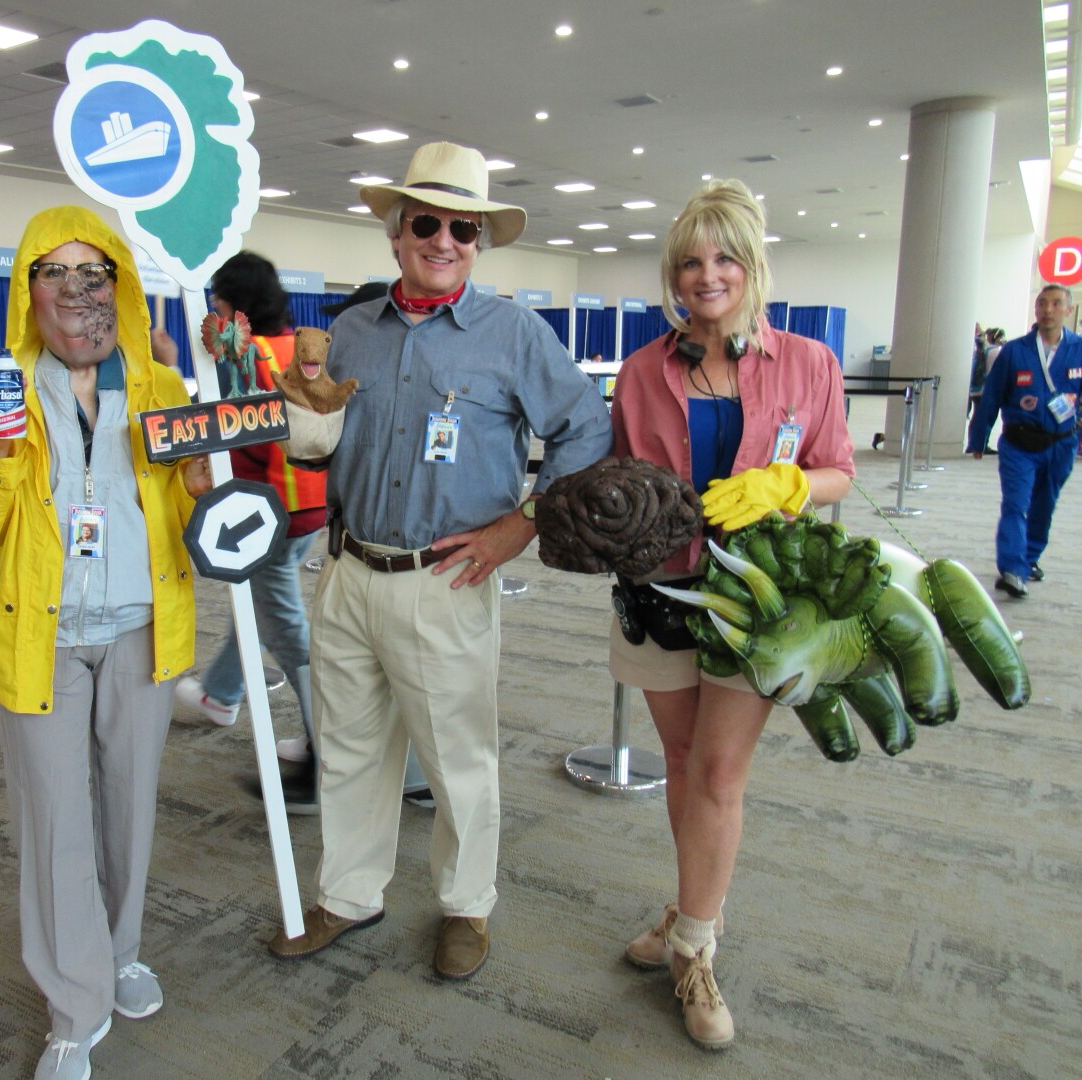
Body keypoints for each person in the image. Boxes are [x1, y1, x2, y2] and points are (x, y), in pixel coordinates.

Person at [265, 141, 612, 980]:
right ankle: (349, 894)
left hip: (447, 580)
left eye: (465, 226)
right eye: (427, 221)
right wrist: (296, 430)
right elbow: (322, 441)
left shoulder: (514, 334)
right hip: (347, 571)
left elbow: (586, 429)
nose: (445, 239)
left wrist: (522, 525)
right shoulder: (350, 331)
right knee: (349, 747)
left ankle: (467, 906)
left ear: (480, 241)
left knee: (458, 758)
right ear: (396, 232)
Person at [0, 205, 207, 1080]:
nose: (75, 289)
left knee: (129, 808)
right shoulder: (3, 391)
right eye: (53, 272)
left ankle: (123, 950)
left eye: (90, 272)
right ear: (29, 289)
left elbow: (191, 510)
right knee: (55, 819)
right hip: (44, 637)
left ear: (119, 285)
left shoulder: (160, 390)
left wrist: (211, 477)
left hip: (140, 628)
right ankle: (75, 1001)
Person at [610, 179, 854, 1050]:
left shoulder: (809, 364)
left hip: (755, 605)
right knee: (678, 765)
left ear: (752, 267)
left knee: (718, 776)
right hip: (660, 595)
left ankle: (696, 951)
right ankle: (687, 911)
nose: (705, 275)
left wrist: (788, 483)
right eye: (689, 260)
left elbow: (837, 470)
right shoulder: (642, 372)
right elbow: (618, 478)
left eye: (723, 259)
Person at [171, 251, 332, 812]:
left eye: (217, 297)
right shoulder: (299, 346)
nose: (212, 307)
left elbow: (244, 435)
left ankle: (327, 757)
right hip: (312, 506)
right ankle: (221, 694)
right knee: (264, 604)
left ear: (234, 303)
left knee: (286, 628)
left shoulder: (246, 355)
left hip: (269, 508)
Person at [966, 284, 1082, 597]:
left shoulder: (1079, 349)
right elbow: (991, 397)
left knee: (1045, 504)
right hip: (1019, 444)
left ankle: (1029, 559)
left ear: (1069, 311)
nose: (1048, 310)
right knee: (1016, 504)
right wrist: (979, 439)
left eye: (1056, 304)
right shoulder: (1015, 352)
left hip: (1061, 444)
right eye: (1042, 303)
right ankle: (1013, 569)